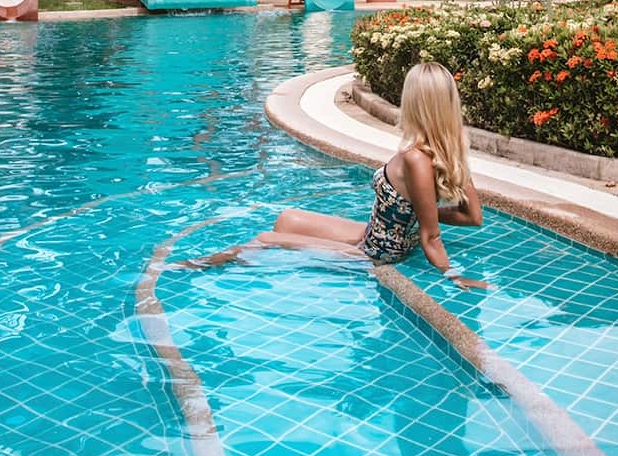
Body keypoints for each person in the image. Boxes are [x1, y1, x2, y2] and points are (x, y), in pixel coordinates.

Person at [177, 61, 488, 289]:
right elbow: (473, 216)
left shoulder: (415, 158)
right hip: (374, 234)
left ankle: (196, 266)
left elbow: (431, 236)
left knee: (264, 239)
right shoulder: (449, 150)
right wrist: (423, 211)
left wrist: (453, 276)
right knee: (287, 219)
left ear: (415, 103)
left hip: (376, 253)